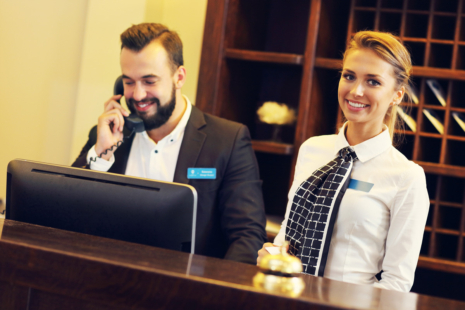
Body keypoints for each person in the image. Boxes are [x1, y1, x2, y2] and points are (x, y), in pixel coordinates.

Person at [72, 23, 267, 265]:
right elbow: (67, 214)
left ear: (179, 77)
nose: (138, 95)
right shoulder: (106, 137)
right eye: (129, 82)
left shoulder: (229, 140)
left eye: (149, 81)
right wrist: (101, 156)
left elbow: (248, 237)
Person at [257, 31, 429, 292]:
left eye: (373, 81)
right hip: (286, 298)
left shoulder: (407, 177)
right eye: (349, 76)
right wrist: (272, 254)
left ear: (397, 95)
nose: (356, 91)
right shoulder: (312, 150)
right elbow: (289, 231)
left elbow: (397, 283)